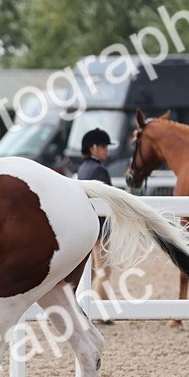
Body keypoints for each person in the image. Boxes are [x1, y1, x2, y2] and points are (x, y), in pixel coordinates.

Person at [77, 128, 114, 322]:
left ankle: (85, 308)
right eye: (102, 146)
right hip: (101, 230)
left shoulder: (83, 169)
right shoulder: (99, 170)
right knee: (104, 270)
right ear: (92, 148)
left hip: (87, 229)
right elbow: (108, 201)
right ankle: (100, 312)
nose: (106, 150)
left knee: (89, 272)